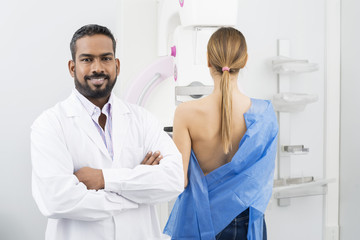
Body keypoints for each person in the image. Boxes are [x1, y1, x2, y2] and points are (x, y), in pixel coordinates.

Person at [31, 24, 184, 240]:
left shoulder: (143, 120)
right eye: (86, 59)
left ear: (117, 65)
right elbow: (56, 199)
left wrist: (104, 179)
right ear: (72, 67)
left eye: (106, 58)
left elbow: (174, 179)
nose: (97, 68)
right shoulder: (49, 124)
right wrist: (136, 192)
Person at [163, 27, 278, 240]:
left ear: (208, 60)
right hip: (247, 221)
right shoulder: (265, 114)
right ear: (244, 61)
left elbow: (180, 180)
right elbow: (259, 181)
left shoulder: (186, 113)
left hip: (201, 219)